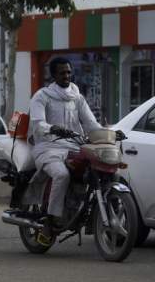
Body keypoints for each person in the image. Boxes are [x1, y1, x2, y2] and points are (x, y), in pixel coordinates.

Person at [28, 57, 124, 246]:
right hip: (48, 148)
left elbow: (91, 124)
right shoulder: (42, 96)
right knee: (62, 175)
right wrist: (53, 128)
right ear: (53, 75)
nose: (67, 76)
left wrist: (111, 134)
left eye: (69, 72)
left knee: (103, 172)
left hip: (74, 147)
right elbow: (38, 124)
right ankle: (51, 219)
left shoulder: (77, 97)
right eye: (62, 72)